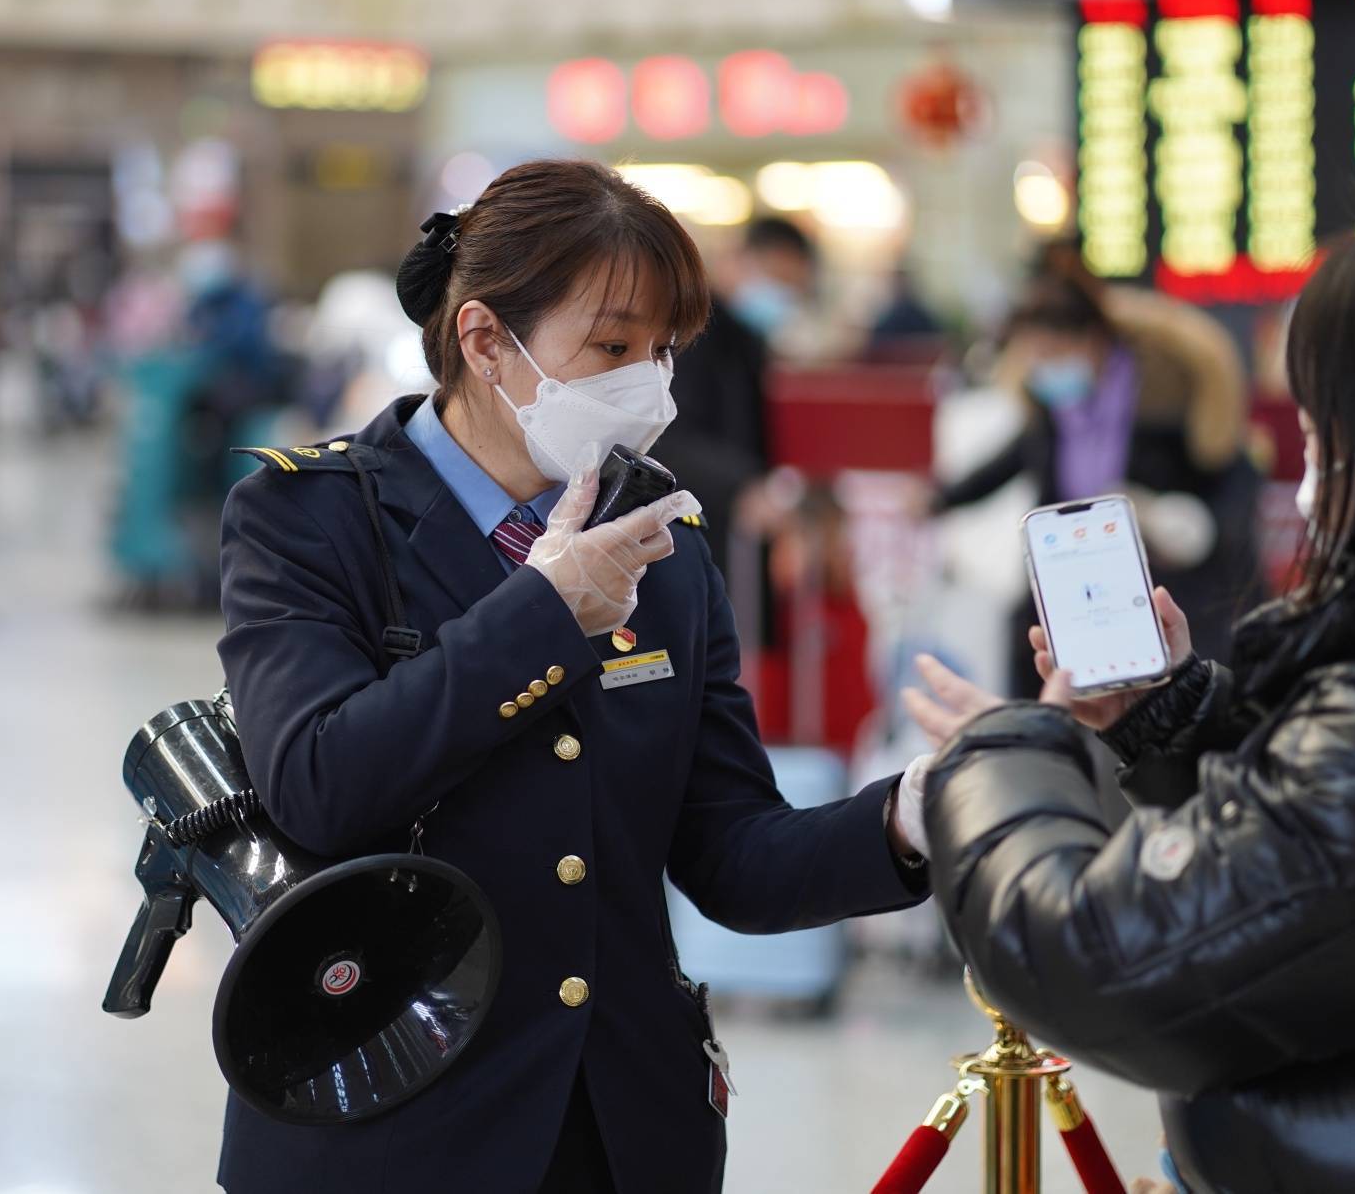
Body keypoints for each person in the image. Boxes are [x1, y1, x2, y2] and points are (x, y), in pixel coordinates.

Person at [214, 159, 931, 1194]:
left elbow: (730, 849)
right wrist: (539, 614)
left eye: (662, 352)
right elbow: (321, 782)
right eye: (611, 347)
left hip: (617, 1133)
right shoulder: (311, 519)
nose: (647, 385)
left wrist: (913, 814)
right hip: (389, 1123)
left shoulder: (659, 543)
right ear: (483, 340)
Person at [904, 207, 1355, 1193]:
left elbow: (1103, 960)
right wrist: (1174, 718)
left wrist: (1003, 754)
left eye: (1318, 431)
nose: (1308, 475)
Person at [932, 272, 1261, 695]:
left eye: (1053, 352)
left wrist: (1175, 523)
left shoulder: (1168, 395)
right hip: (1075, 581)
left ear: (1091, 340)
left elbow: (1228, 482)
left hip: (1168, 591)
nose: (1043, 367)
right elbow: (1011, 459)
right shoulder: (1055, 407)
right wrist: (939, 499)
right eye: (1033, 357)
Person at [651, 216, 808, 576]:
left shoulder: (745, 340)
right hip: (698, 523)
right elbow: (670, 433)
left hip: (737, 528)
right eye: (777, 281)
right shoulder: (691, 335)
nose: (779, 299)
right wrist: (741, 485)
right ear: (742, 261)